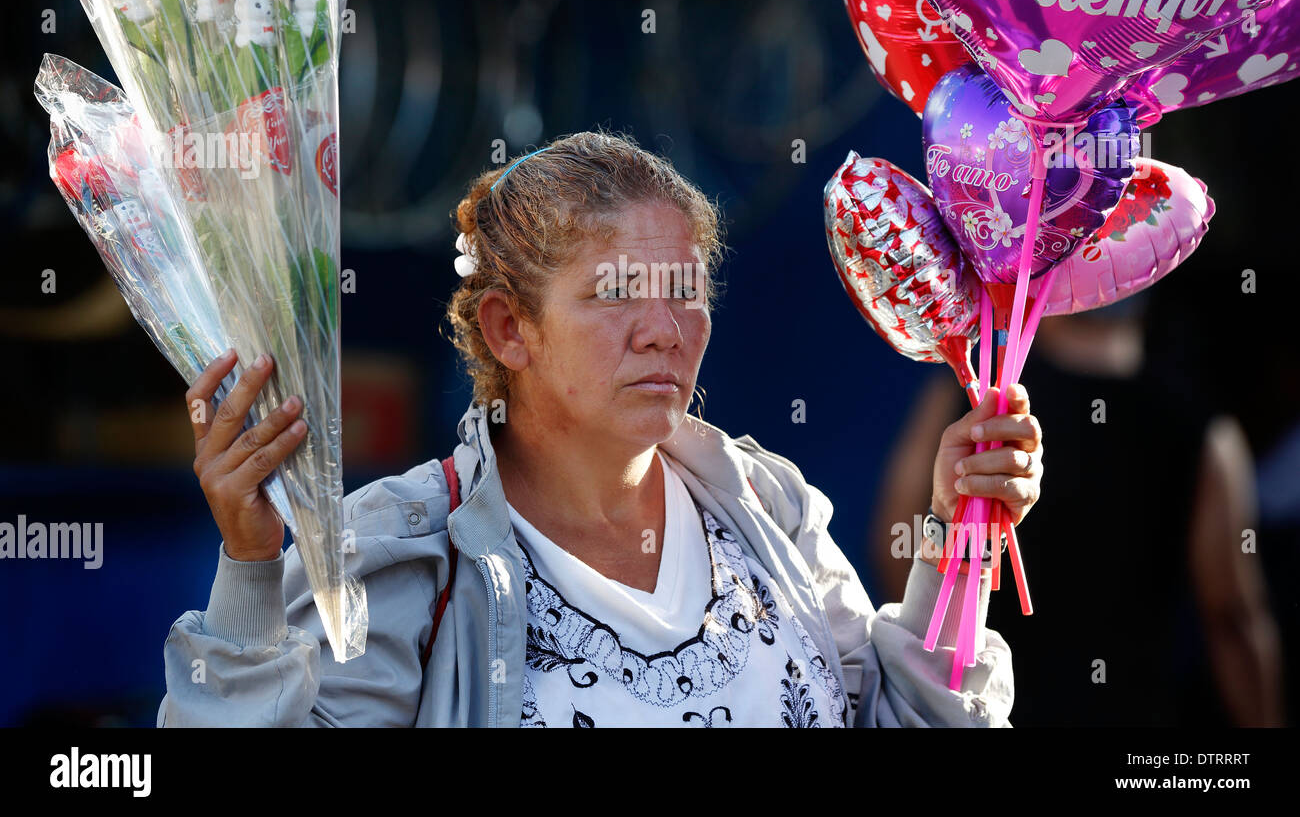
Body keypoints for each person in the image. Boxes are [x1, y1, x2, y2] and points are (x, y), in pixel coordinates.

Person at [157, 131, 1045, 727]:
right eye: (618, 291)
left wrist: (956, 534)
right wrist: (249, 565)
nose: (665, 328)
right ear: (511, 329)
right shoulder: (402, 556)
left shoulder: (768, 510)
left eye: (686, 293)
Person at [872, 301, 1283, 726]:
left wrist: (924, 676)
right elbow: (1233, 619)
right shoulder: (1204, 433)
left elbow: (895, 545)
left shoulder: (973, 400)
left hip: (986, 709)